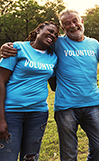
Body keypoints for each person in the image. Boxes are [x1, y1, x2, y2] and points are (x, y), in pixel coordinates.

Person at [1, 8, 99, 161]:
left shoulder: (94, 44)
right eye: (66, 24)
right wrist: (7, 47)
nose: (72, 25)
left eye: (75, 21)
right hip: (65, 107)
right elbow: (35, 45)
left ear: (82, 21)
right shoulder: (57, 43)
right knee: (68, 154)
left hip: (91, 103)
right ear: (62, 28)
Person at [0, 22, 59, 160]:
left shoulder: (53, 57)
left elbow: (55, 86)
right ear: (38, 30)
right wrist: (1, 119)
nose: (52, 35)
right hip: (11, 112)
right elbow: (1, 82)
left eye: (56, 35)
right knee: (7, 156)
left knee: (30, 157)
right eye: (50, 31)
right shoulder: (17, 48)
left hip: (38, 114)